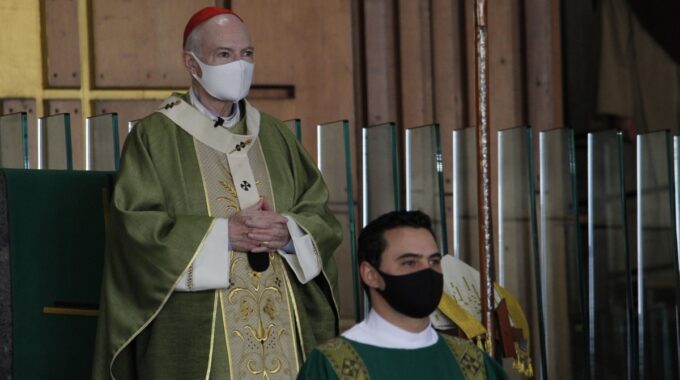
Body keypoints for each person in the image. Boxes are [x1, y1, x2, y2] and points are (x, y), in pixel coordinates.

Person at [92, 6, 342, 380]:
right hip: (197, 334)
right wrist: (223, 234)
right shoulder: (155, 138)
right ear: (191, 64)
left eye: (247, 54)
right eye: (224, 55)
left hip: (283, 331)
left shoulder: (275, 135)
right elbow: (136, 230)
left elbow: (319, 212)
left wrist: (289, 232)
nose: (239, 65)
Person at [297, 210, 508, 380]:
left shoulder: (472, 363)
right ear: (371, 275)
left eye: (434, 261)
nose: (427, 272)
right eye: (410, 262)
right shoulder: (330, 365)